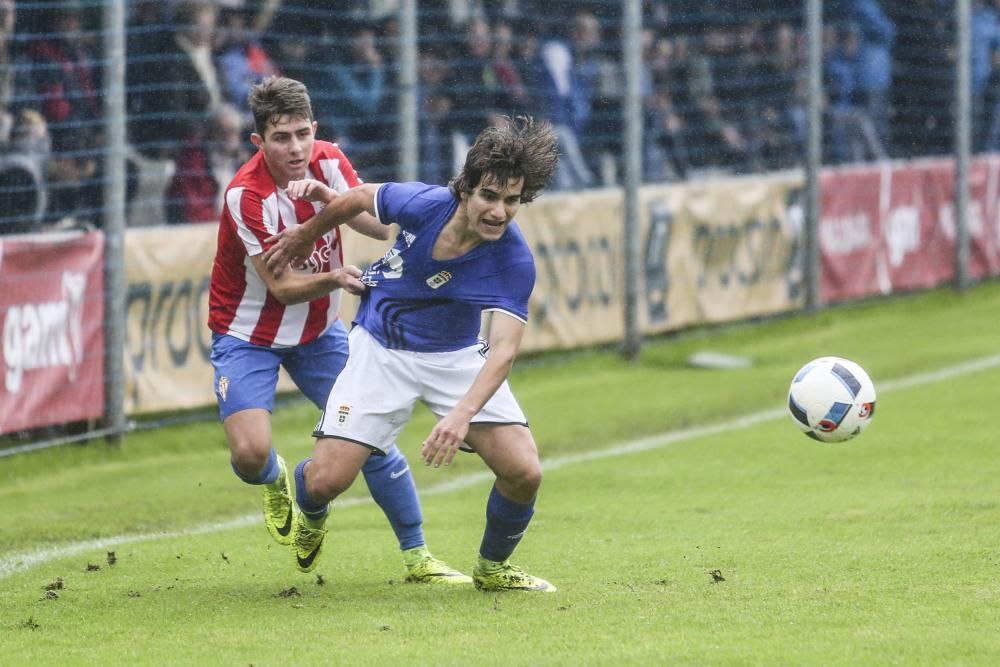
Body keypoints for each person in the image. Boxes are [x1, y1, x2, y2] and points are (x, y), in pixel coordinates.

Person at [262, 116, 560, 592]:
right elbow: (359, 199)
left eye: (511, 201)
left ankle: (492, 567)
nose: (499, 211)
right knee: (325, 482)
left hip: (456, 356)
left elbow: (502, 351)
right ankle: (311, 509)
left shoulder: (513, 260)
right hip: (381, 347)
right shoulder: (425, 204)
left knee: (524, 471)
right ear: (465, 190)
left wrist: (461, 416)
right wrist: (304, 236)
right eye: (489, 195)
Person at [208, 75, 469, 585]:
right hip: (245, 334)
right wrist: (334, 276)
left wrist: (333, 197)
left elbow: (379, 227)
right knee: (248, 452)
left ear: (315, 130)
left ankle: (418, 557)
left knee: (369, 437)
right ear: (259, 142)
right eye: (281, 138)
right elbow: (281, 287)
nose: (296, 148)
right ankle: (274, 478)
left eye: (303, 133)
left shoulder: (328, 159)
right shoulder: (246, 195)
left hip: (318, 332)